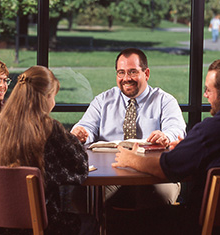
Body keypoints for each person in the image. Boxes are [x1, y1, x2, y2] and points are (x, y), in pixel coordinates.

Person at [113, 58, 220, 233]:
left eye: (208, 90)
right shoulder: (209, 137)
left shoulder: (209, 131)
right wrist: (190, 148)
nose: (205, 95)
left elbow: (165, 168)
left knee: (129, 221)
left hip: (204, 226)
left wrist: (130, 158)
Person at [0, 65, 98, 235]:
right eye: (53, 97)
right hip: (40, 226)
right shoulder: (49, 129)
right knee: (90, 222)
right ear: (46, 97)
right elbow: (80, 168)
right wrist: (73, 139)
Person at [71, 48, 186, 208]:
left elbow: (177, 129)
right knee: (82, 196)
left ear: (146, 74)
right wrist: (81, 133)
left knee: (158, 196)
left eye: (132, 72)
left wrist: (166, 136)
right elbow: (86, 127)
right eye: (121, 72)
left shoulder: (164, 101)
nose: (126, 78)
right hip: (111, 172)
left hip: (153, 172)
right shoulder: (103, 100)